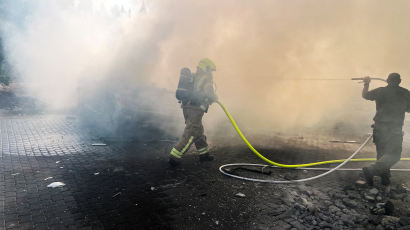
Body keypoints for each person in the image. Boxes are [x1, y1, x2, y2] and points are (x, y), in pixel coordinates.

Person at [362, 73, 410, 186]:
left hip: (379, 128)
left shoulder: (380, 91)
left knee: (382, 154)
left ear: (387, 80)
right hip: (394, 130)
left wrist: (366, 83)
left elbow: (365, 95)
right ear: (399, 81)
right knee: (394, 155)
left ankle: (384, 179)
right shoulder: (405, 93)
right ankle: (371, 170)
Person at [169, 58, 218, 166]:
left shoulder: (195, 76)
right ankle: (175, 156)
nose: (211, 73)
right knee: (192, 132)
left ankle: (204, 155)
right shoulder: (206, 78)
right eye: (210, 70)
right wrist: (215, 97)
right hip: (195, 109)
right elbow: (209, 93)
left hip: (187, 107)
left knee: (198, 131)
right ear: (206, 68)